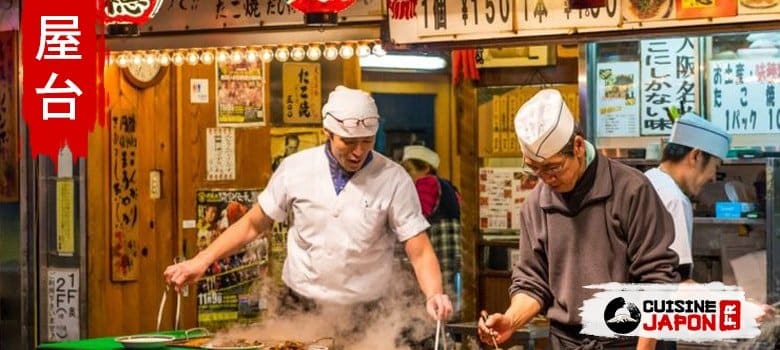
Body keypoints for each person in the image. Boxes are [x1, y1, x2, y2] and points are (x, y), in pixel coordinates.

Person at [165, 85, 452, 328]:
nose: (358, 151)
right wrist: (201, 261)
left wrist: (434, 294)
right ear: (326, 131)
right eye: (348, 142)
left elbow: (419, 248)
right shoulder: (296, 168)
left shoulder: (394, 178)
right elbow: (253, 224)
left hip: (367, 312)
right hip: (300, 306)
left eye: (367, 141)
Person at [478, 89, 680, 350]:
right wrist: (510, 320)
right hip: (567, 342)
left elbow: (657, 281)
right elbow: (532, 282)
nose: (545, 178)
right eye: (534, 168)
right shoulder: (535, 204)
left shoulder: (631, 190)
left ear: (578, 147)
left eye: (552, 167)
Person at [645, 113, 774, 325]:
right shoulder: (675, 199)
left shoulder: (649, 180)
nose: (713, 177)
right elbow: (679, 286)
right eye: (715, 166)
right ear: (695, 156)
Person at [401, 145, 462, 318]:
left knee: (436, 289)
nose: (407, 175)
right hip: (454, 246)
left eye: (409, 170)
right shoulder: (448, 186)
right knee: (447, 290)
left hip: (438, 244)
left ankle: (438, 325)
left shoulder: (426, 183)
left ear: (426, 168)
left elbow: (418, 214)